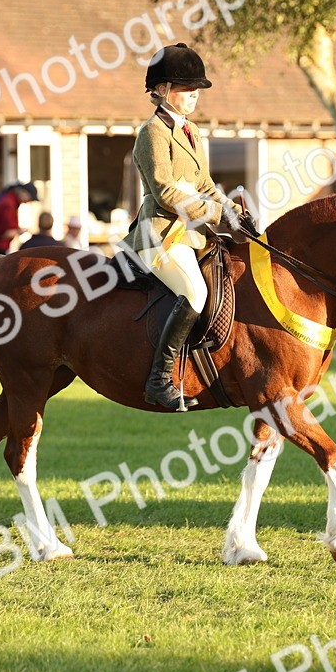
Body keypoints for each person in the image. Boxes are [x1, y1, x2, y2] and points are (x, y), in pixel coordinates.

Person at [121, 43, 248, 411]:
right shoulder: (152, 133)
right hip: (160, 234)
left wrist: (233, 212)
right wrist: (214, 212)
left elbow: (205, 184)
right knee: (194, 293)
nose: (193, 96)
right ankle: (159, 380)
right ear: (161, 90)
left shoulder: (191, 130)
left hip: (193, 233)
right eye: (184, 89)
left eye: (196, 90)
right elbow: (163, 191)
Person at [0, 181, 36, 256]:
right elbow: (5, 232)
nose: (29, 201)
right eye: (30, 198)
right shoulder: (9, 204)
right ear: (23, 192)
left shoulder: (10, 201)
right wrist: (21, 231)